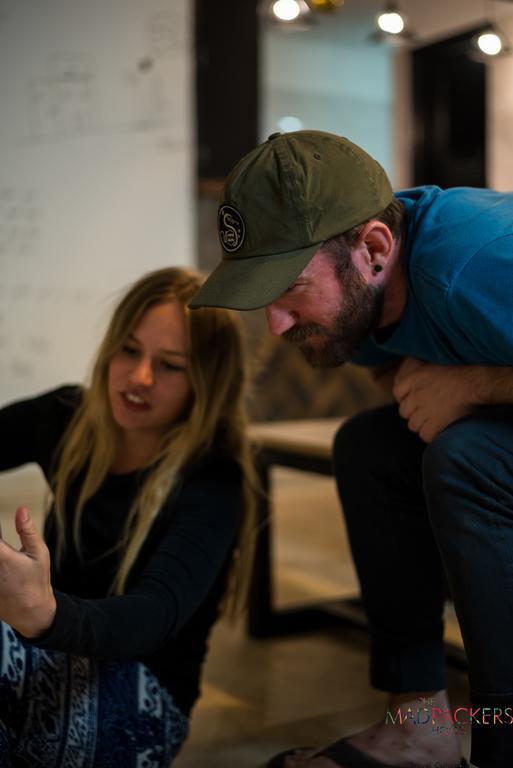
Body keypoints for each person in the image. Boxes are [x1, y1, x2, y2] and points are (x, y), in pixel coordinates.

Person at [188, 129, 513, 768]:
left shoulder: (477, 263)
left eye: (289, 288)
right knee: (369, 447)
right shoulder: (362, 302)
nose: (275, 325)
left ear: (373, 247)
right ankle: (419, 724)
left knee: (465, 457)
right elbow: (398, 377)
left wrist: (473, 386)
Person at [0, 266, 255, 768]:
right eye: (129, 350)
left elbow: (153, 615)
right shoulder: (69, 414)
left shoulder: (214, 479)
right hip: (51, 655)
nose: (140, 378)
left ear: (206, 381)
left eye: (170, 366)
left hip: (145, 696)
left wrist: (43, 613)